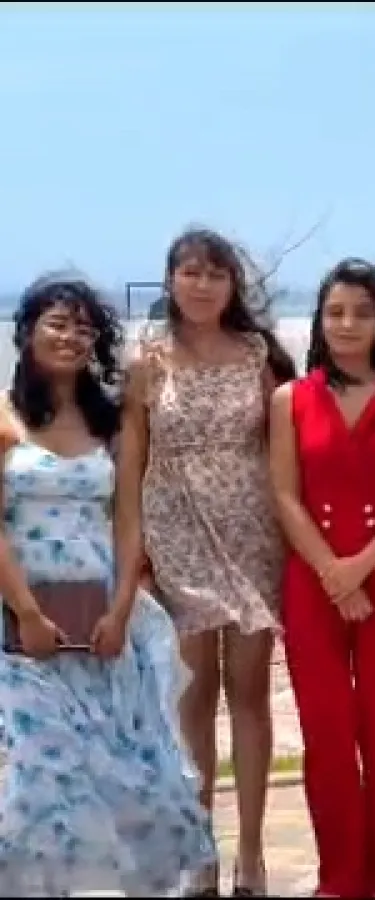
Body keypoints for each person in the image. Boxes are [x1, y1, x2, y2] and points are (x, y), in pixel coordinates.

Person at [0, 275, 215, 895]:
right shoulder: (5, 415)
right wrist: (27, 612)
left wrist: (121, 611)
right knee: (45, 772)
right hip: (22, 623)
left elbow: (127, 519)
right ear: (28, 330)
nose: (69, 337)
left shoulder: (109, 420)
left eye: (83, 327)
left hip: (102, 616)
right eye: (56, 323)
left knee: (128, 769)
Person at [116, 227, 295, 896]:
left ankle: (250, 852)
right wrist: (132, 560)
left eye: (214, 274)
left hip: (250, 535)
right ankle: (202, 852)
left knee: (249, 693)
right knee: (194, 702)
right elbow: (130, 470)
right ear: (170, 281)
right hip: (176, 539)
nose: (201, 284)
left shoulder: (259, 354)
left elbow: (285, 454)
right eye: (189, 272)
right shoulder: (147, 362)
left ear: (232, 286)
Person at [270, 259, 375, 897]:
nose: (347, 323)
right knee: (329, 735)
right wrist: (333, 574)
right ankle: (342, 875)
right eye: (336, 311)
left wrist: (360, 568)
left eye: (362, 312)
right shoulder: (290, 398)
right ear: (319, 319)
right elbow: (284, 495)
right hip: (312, 579)